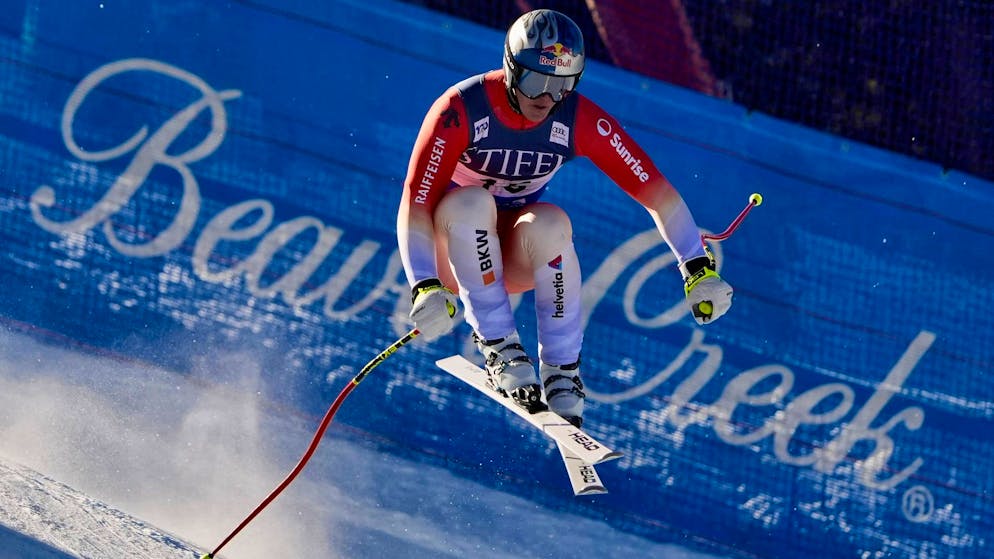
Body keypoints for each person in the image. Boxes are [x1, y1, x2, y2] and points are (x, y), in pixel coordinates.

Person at [397, 9, 733, 428]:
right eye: (536, 81)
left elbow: (657, 194)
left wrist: (697, 267)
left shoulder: (578, 119)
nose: (546, 98)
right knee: (471, 203)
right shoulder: (461, 109)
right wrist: (424, 284)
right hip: (451, 250)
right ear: (511, 68)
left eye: (562, 85)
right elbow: (415, 201)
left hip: (510, 256)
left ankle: (562, 372)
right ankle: (499, 345)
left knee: (552, 224)